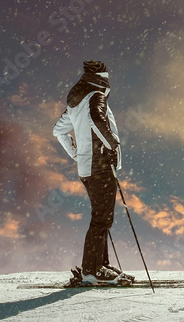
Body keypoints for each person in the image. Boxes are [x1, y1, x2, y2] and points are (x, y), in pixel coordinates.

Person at [52, 60, 133, 285]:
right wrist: (112, 145)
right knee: (101, 218)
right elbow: (98, 119)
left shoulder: (76, 103)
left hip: (87, 169)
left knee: (102, 217)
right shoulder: (96, 96)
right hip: (100, 167)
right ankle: (92, 269)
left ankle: (100, 264)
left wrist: (76, 154)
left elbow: (58, 131)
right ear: (102, 79)